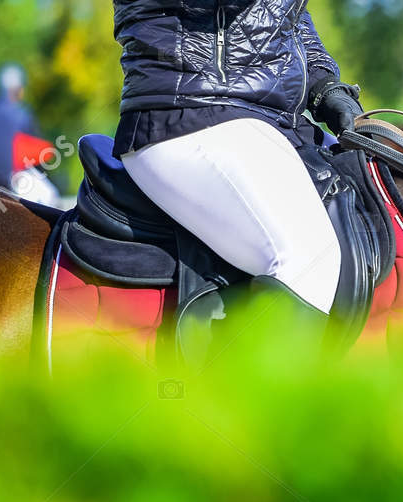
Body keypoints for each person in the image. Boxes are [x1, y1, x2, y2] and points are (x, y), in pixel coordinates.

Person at [111, 0, 364, 319]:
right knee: (308, 260)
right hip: (187, 112)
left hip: (278, 122)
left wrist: (323, 84)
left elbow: (287, 16)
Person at [0, 63, 62, 206]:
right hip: (19, 180)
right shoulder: (24, 115)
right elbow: (39, 154)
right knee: (52, 197)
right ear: (18, 89)